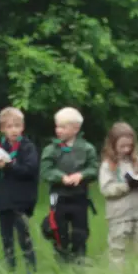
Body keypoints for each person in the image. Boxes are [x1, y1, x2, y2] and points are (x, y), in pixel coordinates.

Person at [39, 108, 98, 263]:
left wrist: (82, 175)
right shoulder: (50, 150)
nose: (58, 130)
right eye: (57, 126)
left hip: (79, 196)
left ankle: (80, 261)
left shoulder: (87, 149)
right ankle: (63, 261)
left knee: (80, 232)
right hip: (58, 197)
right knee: (58, 231)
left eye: (63, 127)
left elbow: (94, 168)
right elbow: (45, 171)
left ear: (76, 129)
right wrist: (61, 178)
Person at [99, 122, 138, 265]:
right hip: (119, 215)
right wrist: (126, 186)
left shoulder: (137, 161)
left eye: (129, 146)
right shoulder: (108, 165)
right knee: (117, 249)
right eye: (122, 146)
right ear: (113, 145)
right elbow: (106, 189)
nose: (126, 149)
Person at [0, 106, 39, 273]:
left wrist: (9, 165)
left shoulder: (28, 148)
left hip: (22, 200)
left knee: (23, 236)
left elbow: (30, 169)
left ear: (22, 127)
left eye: (17, 126)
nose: (14, 130)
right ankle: (10, 268)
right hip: (4, 200)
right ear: (3, 129)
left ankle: (31, 269)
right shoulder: (0, 148)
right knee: (6, 237)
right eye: (9, 127)